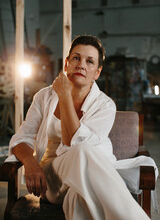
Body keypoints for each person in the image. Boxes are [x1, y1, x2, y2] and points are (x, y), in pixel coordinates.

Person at [6, 35, 158, 220]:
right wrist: (31, 164)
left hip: (88, 177)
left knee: (78, 198)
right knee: (83, 149)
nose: (81, 65)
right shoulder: (44, 97)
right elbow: (23, 137)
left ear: (97, 72)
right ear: (66, 64)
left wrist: (64, 95)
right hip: (52, 179)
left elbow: (72, 140)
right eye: (76, 58)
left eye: (90, 61)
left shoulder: (105, 105)